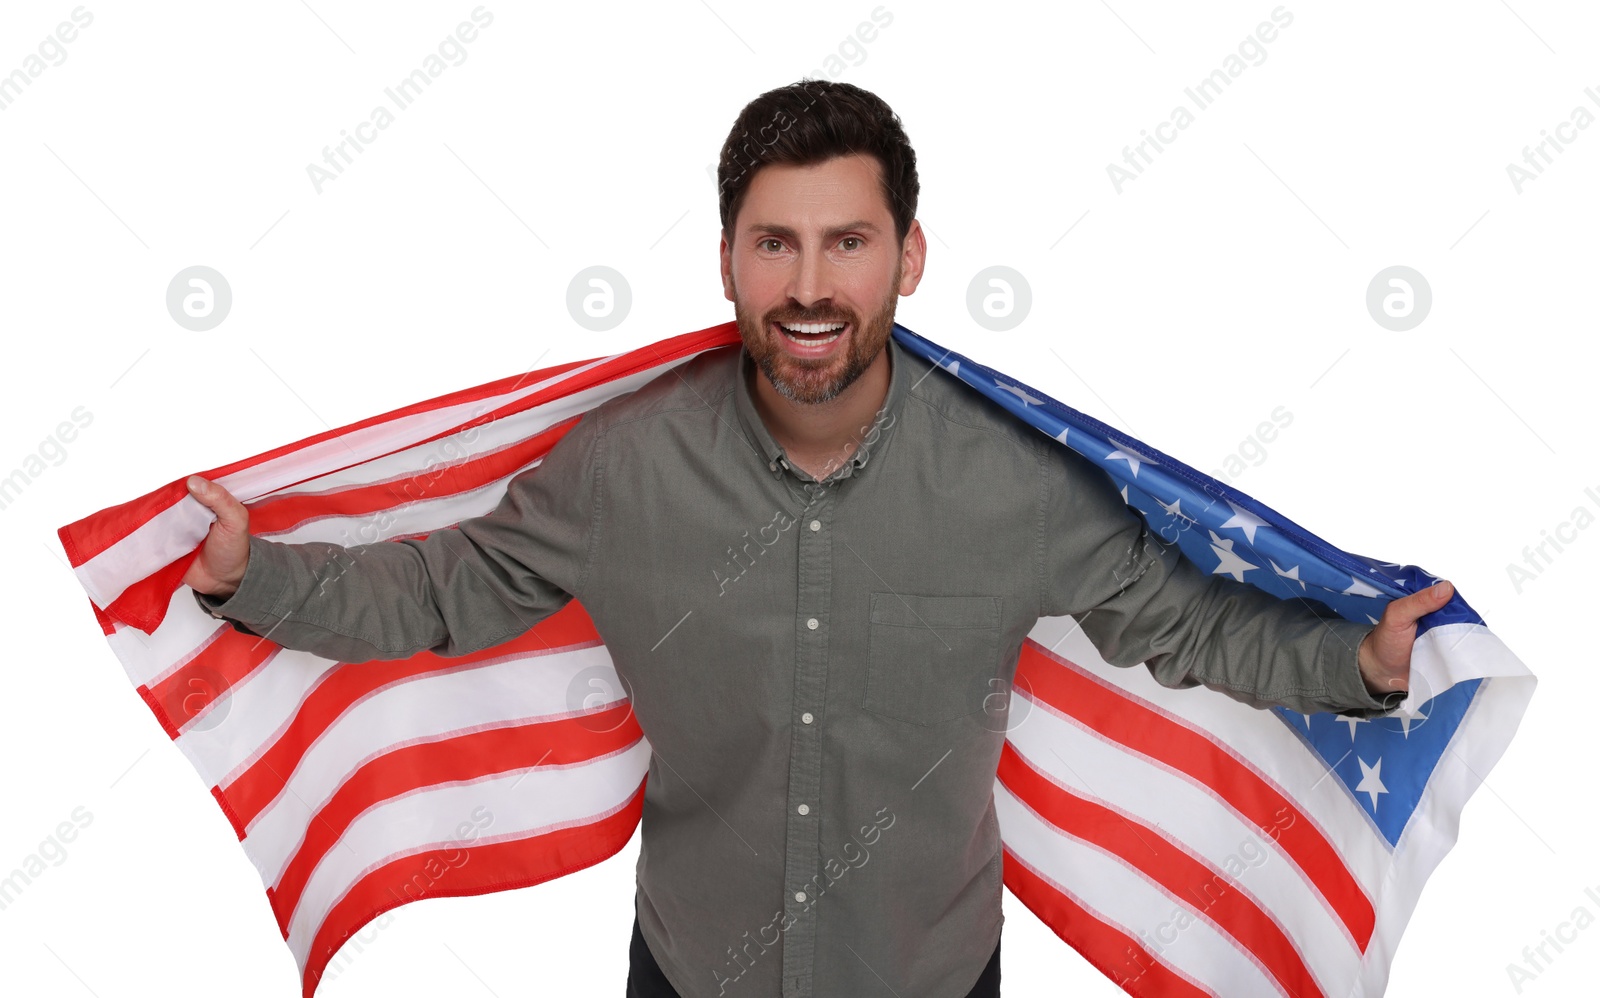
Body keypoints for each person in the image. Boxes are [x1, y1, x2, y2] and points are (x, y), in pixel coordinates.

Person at [181, 80, 1447, 998]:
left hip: (934, 975)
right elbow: (447, 588)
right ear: (727, 261)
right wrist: (260, 577)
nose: (808, 284)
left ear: (907, 260)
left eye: (848, 242)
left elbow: (1184, 623)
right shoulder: (624, 468)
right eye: (775, 243)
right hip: (689, 971)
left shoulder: (1015, 482)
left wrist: (1361, 665)